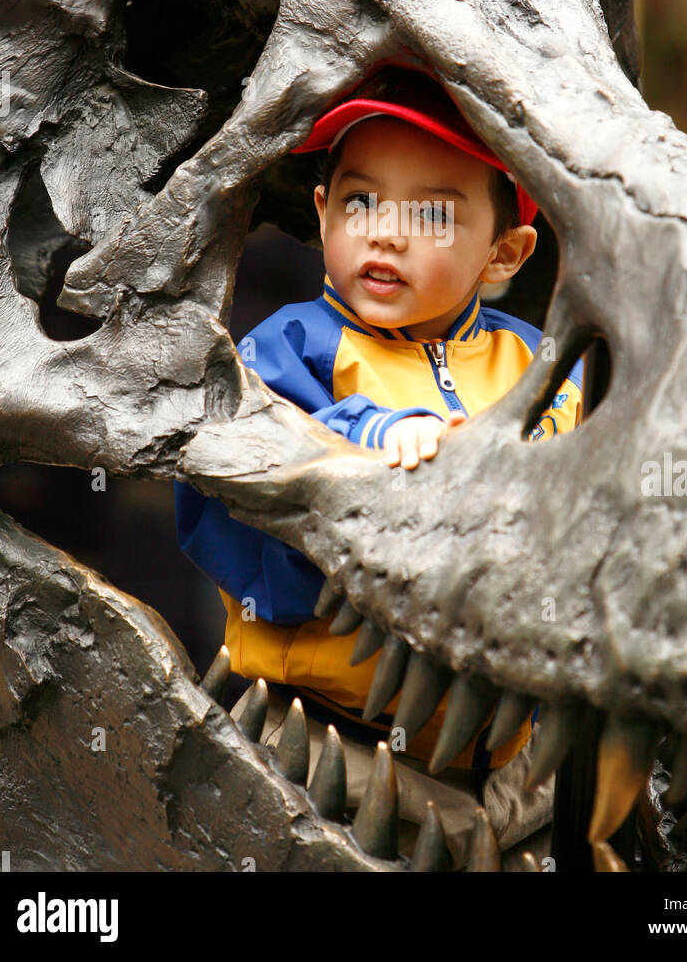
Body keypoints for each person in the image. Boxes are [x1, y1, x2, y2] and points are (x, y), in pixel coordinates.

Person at [174, 62, 583, 857]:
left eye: (432, 213)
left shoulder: (540, 366)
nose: (386, 231)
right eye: (361, 201)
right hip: (331, 747)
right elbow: (231, 480)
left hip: (508, 762)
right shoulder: (288, 348)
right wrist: (364, 433)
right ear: (323, 212)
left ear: (505, 253)